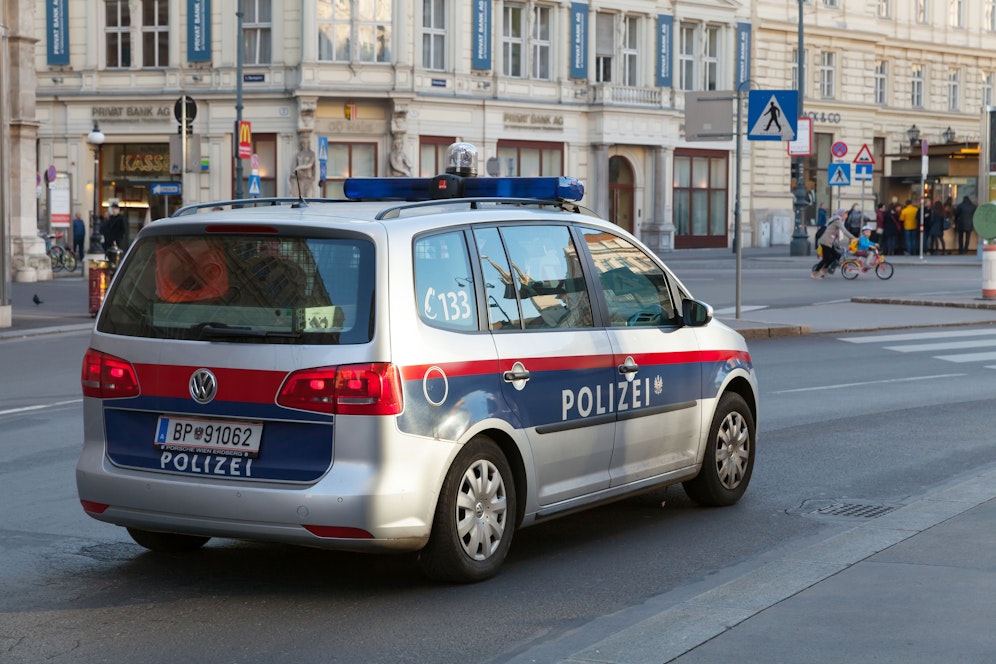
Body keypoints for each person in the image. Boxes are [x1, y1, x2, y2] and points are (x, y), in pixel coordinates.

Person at [812, 211, 855, 279]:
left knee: (836, 255)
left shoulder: (836, 220)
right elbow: (844, 231)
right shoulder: (838, 221)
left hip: (829, 242)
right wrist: (854, 238)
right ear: (842, 214)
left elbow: (833, 234)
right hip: (826, 241)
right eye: (845, 215)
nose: (846, 216)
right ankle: (815, 273)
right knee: (826, 259)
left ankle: (824, 269)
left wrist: (837, 245)